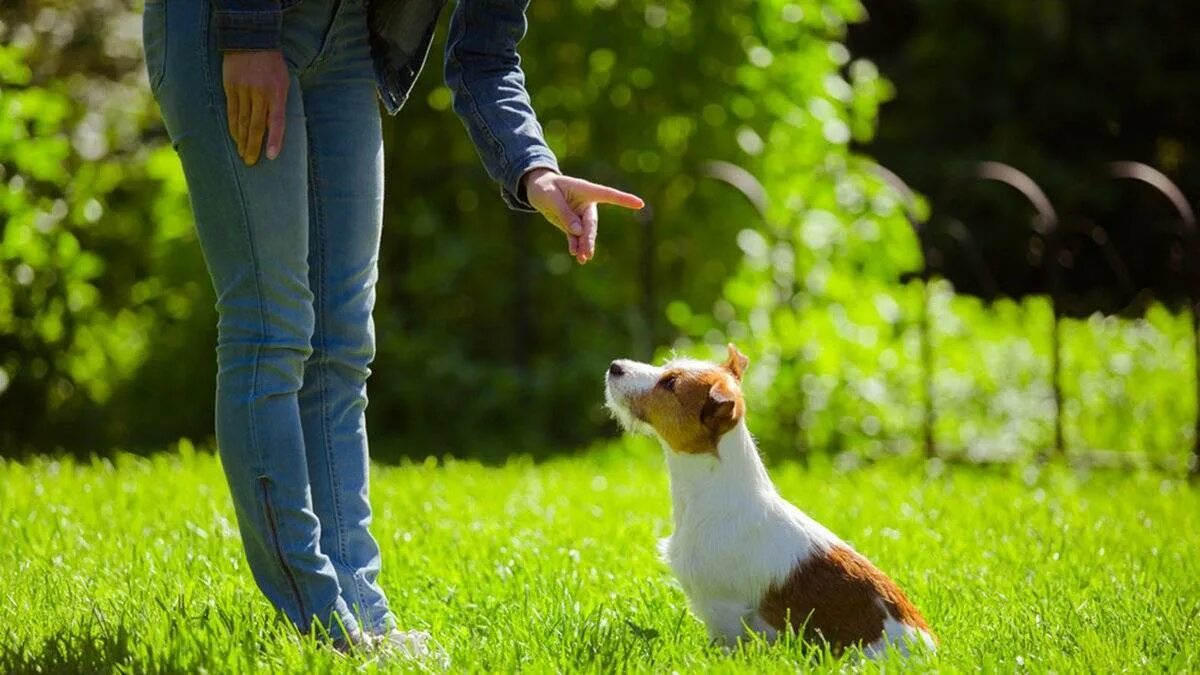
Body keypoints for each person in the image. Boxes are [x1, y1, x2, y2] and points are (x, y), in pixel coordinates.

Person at [141, 0, 643, 655]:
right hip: (231, 24)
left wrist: (535, 168)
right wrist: (247, 35)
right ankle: (317, 619)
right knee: (271, 327)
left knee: (343, 345)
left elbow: (486, 55)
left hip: (345, 41)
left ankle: (361, 618)